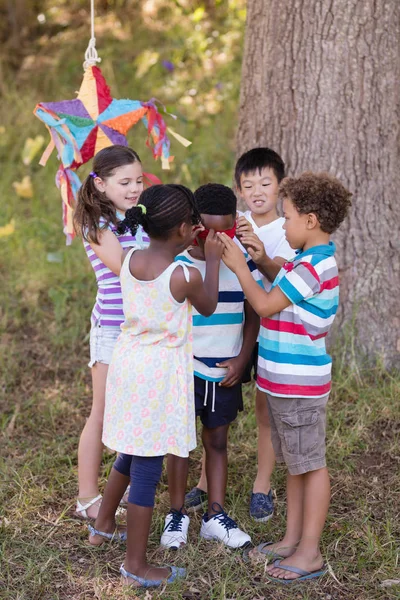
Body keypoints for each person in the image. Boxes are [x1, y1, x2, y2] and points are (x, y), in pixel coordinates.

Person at [87, 184, 224, 588]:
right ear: (185, 229)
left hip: (128, 367)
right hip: (158, 376)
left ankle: (104, 525)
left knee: (131, 450)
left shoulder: (129, 259)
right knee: (147, 469)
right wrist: (212, 261)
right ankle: (136, 566)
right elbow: (209, 305)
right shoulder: (183, 275)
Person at [218, 172, 351, 583]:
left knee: (310, 466)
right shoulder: (304, 260)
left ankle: (309, 552)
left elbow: (264, 303)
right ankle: (292, 538)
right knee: (296, 464)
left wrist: (240, 265)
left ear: (310, 221)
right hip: (282, 383)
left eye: (288, 217)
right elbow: (281, 279)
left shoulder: (312, 266)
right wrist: (259, 258)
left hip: (298, 386)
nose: (283, 224)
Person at [186, 148, 294, 523]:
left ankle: (261, 486)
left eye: (266, 183)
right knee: (211, 411)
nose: (258, 191)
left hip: (272, 328)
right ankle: (202, 482)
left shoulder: (287, 228)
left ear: (281, 185)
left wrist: (257, 253)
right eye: (249, 185)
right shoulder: (234, 219)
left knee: (264, 411)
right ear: (239, 190)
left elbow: (283, 274)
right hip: (229, 329)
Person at [167, 183, 259, 549]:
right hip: (185, 368)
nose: (216, 240)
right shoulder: (179, 265)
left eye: (224, 232)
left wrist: (243, 357)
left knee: (217, 440)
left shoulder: (241, 262)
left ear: (234, 225)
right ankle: (176, 515)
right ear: (192, 225)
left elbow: (253, 313)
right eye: (208, 232)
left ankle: (214, 515)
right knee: (179, 444)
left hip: (225, 369)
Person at [73, 145, 148, 520]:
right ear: (100, 184)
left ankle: (128, 485)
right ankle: (87, 496)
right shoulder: (98, 225)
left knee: (136, 410)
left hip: (143, 328)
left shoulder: (138, 217)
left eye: (138, 180)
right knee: (101, 412)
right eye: (125, 182)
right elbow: (125, 267)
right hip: (113, 330)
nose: (134, 187)